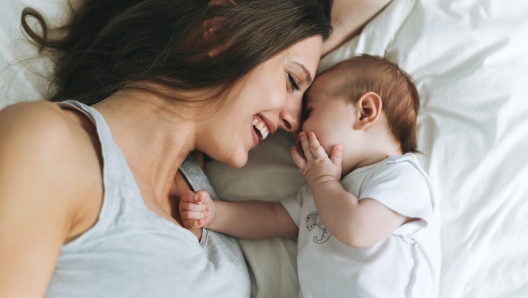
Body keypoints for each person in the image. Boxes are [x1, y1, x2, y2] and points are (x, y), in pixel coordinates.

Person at [0, 0, 393, 296]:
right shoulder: (49, 143)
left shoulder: (196, 180)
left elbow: (340, 18)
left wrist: (304, 26)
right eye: (292, 80)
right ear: (220, 33)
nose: (294, 120)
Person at [180, 55, 440, 298]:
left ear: (365, 111)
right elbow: (273, 218)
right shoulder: (321, 188)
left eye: (310, 112)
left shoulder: (401, 176)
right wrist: (216, 214)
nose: (297, 130)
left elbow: (357, 229)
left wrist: (323, 182)